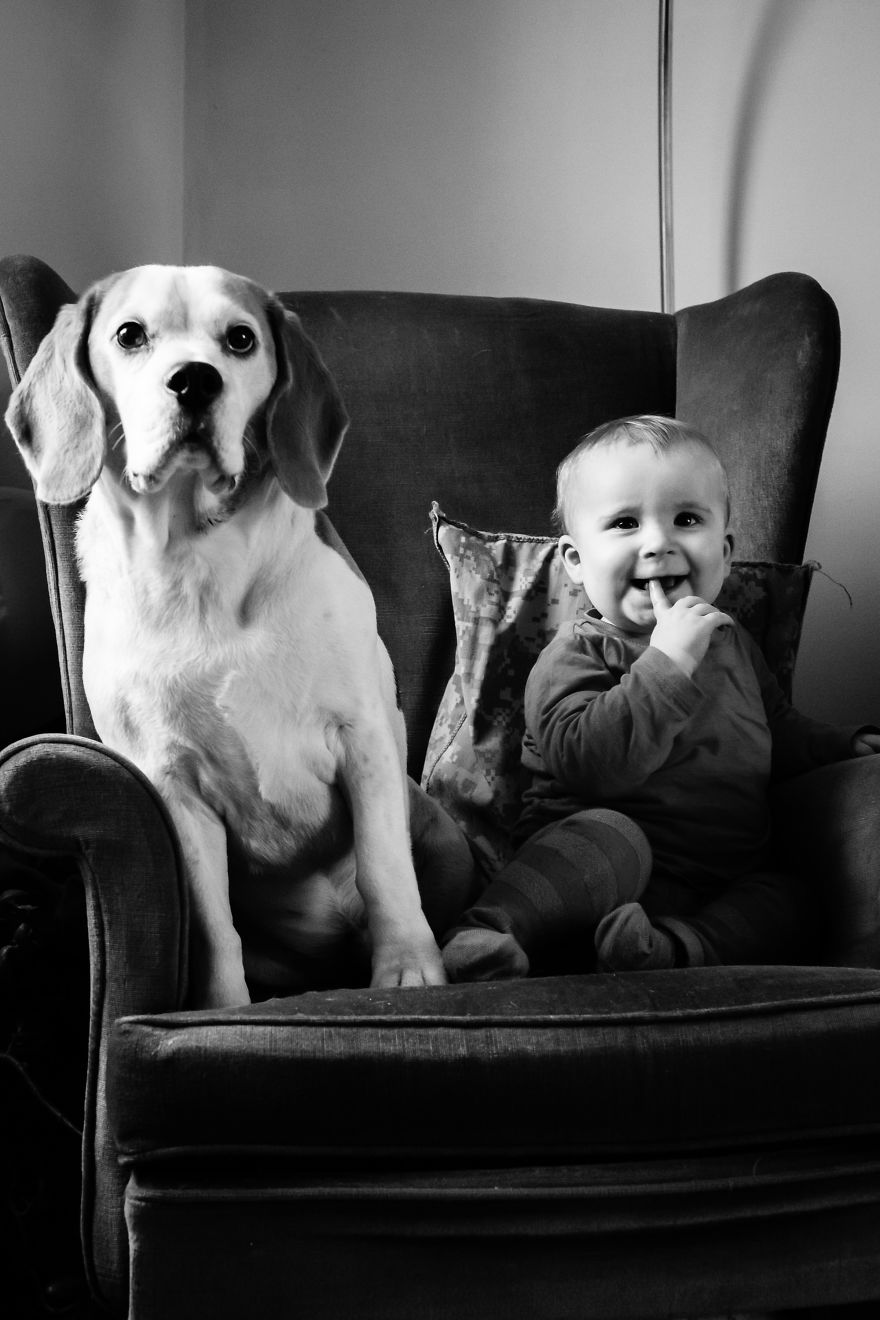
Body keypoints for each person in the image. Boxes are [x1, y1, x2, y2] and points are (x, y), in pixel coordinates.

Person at [441, 414, 880, 981]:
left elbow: (778, 728)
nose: (658, 542)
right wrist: (667, 662)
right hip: (593, 870)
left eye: (687, 519)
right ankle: (492, 930)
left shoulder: (733, 644)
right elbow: (593, 764)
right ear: (576, 562)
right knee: (612, 838)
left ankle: (670, 948)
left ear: (723, 553)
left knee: (788, 898)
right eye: (625, 522)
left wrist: (843, 744)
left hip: (720, 875)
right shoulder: (575, 655)